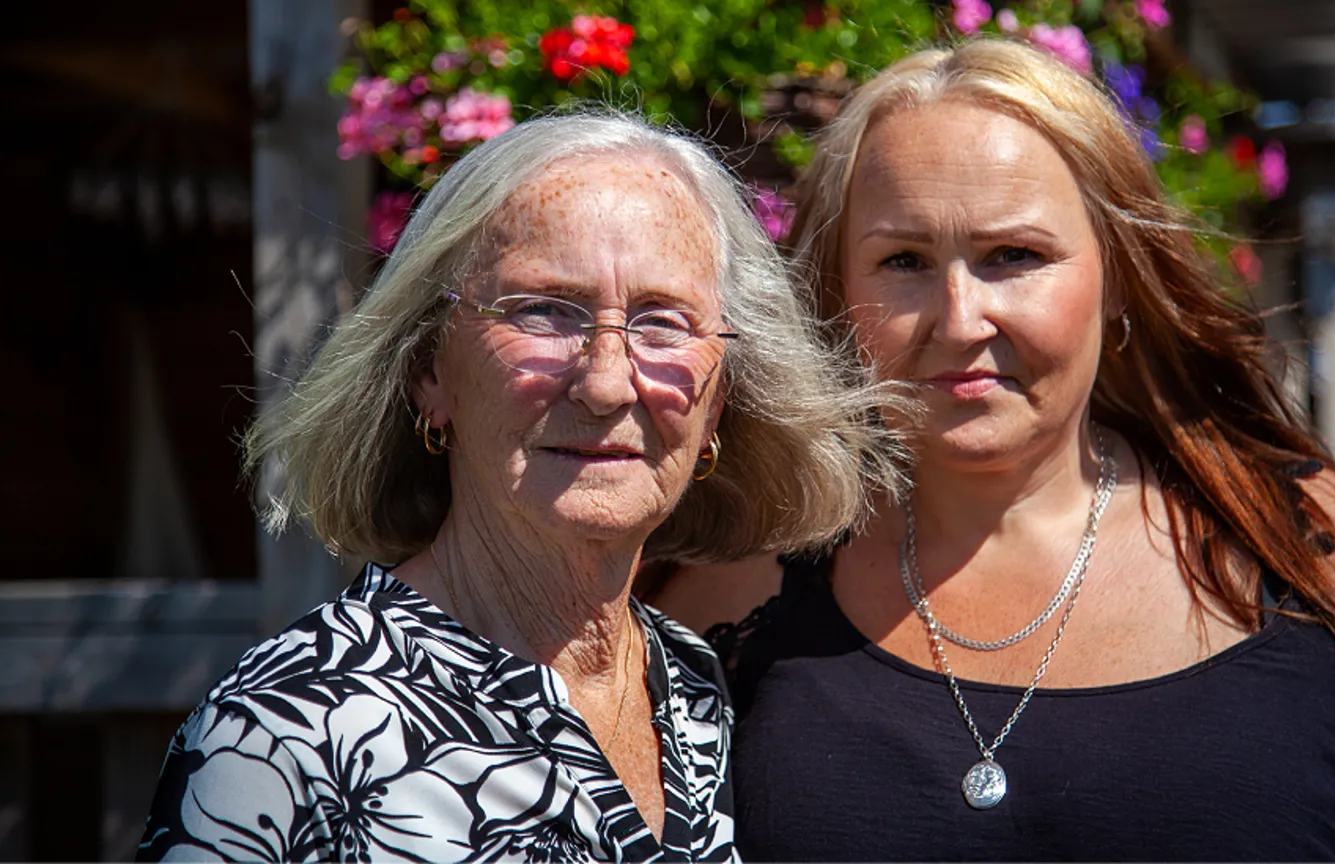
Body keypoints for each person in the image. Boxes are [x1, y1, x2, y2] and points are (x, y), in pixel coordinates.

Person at [652, 40, 1335, 863]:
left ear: (1117, 280)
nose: (961, 320)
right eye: (904, 261)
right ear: (836, 291)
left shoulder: (1308, 543)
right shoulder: (742, 583)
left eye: (1013, 255)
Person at [135, 112, 898, 864]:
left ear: (719, 398)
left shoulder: (692, 686)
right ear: (430, 372)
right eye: (543, 312)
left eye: (662, 322)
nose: (605, 384)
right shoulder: (286, 728)